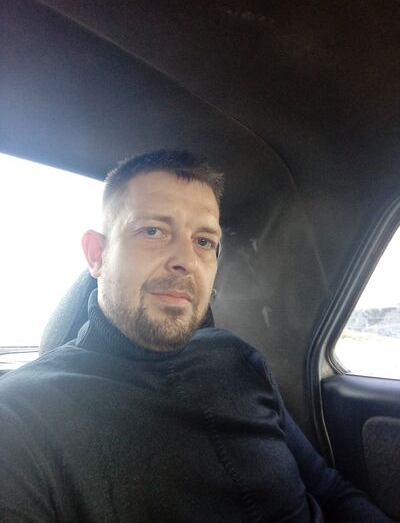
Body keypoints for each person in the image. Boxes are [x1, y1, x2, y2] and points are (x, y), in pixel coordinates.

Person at [0, 150, 392, 522]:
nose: (186, 261)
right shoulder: (20, 417)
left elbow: (330, 490)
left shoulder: (239, 359)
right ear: (96, 254)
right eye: (152, 230)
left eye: (204, 241)